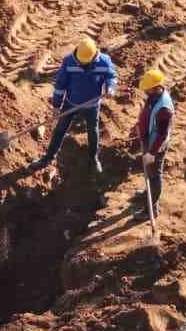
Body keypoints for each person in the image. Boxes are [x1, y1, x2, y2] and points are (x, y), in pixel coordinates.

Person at [27, 37, 117, 177]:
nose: (82, 64)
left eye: (85, 63)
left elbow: (111, 76)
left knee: (93, 131)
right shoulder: (69, 62)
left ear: (94, 56)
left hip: (92, 105)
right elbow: (60, 85)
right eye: (80, 62)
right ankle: (48, 158)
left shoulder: (104, 61)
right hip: (71, 103)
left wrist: (110, 88)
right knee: (60, 130)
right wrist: (57, 105)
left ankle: (93, 159)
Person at [133, 68, 174, 210]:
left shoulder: (164, 109)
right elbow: (147, 113)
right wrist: (140, 124)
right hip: (149, 138)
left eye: (148, 89)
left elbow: (162, 134)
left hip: (157, 144)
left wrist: (152, 153)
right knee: (149, 171)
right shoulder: (153, 97)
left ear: (157, 88)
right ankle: (148, 192)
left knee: (155, 174)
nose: (145, 92)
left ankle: (152, 207)